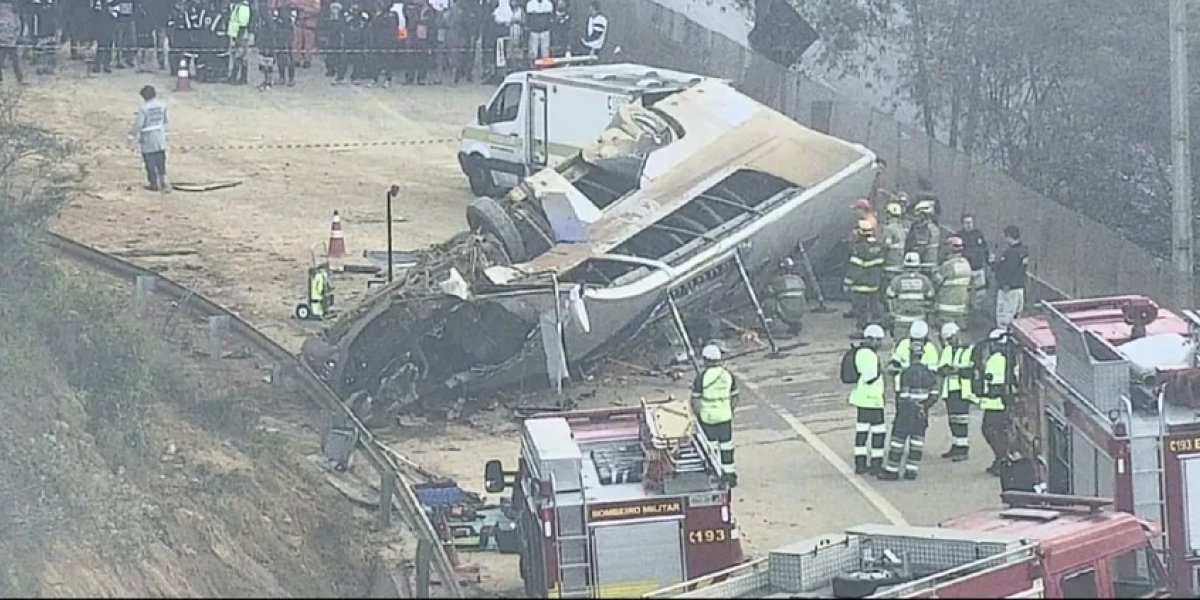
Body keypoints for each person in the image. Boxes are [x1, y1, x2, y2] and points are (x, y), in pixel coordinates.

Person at [878, 328, 939, 481]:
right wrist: (924, 407)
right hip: (922, 412)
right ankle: (911, 471)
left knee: (898, 441)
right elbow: (934, 394)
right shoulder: (929, 374)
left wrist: (907, 408)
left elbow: (904, 395)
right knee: (917, 441)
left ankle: (892, 470)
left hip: (907, 412)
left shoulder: (907, 373)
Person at [690, 343, 738, 487]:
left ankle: (714, 474)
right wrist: (729, 410)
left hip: (708, 418)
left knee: (710, 448)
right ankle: (730, 474)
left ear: (705, 360)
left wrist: (698, 415)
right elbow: (735, 397)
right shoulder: (728, 375)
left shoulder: (701, 377)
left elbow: (695, 401)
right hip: (725, 417)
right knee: (727, 446)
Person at [849, 324, 887, 475]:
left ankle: (860, 464)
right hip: (872, 400)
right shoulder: (869, 355)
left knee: (862, 432)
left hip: (862, 399)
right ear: (871, 339)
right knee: (878, 433)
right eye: (878, 340)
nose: (880, 343)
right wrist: (880, 371)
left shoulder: (860, 352)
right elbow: (870, 377)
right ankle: (876, 464)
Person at [977, 328, 1015, 476]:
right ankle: (1001, 459)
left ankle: (1002, 459)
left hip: (997, 402)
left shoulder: (997, 359)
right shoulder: (1006, 357)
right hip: (1000, 402)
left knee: (990, 430)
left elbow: (995, 382)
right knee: (998, 431)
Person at [936, 322, 975, 461]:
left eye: (951, 338)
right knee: (952, 420)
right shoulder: (947, 350)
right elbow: (942, 368)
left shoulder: (969, 350)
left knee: (961, 420)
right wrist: (952, 369)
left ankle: (963, 449)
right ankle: (956, 445)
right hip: (950, 390)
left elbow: (971, 369)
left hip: (963, 390)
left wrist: (956, 370)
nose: (949, 342)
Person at [843, 218, 885, 334]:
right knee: (874, 308)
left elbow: (855, 269)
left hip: (861, 285)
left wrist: (847, 282)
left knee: (861, 309)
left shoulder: (859, 248)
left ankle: (861, 330)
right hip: (874, 284)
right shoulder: (878, 246)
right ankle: (876, 328)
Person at [129, 84, 169, 193]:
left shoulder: (143, 108)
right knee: (161, 159)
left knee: (150, 160)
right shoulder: (162, 105)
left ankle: (154, 183)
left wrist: (132, 135)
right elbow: (165, 120)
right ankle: (163, 181)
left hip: (148, 137)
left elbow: (139, 124)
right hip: (160, 136)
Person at [885, 252, 934, 339]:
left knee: (900, 343)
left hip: (901, 319)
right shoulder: (925, 280)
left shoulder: (897, 280)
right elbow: (930, 297)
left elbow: (890, 297)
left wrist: (893, 313)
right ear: (918, 266)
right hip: (919, 318)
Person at [932, 236, 972, 332]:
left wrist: (934, 270)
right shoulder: (966, 264)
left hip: (946, 307)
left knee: (945, 332)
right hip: (961, 307)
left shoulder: (948, 265)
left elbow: (936, 281)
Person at [992, 224, 1029, 330]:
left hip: (1009, 290)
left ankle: (1003, 337)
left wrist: (994, 265)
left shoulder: (1011, 253)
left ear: (1009, 236)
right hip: (1020, 288)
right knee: (1016, 319)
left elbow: (1006, 270)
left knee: (1004, 318)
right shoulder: (1024, 251)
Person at [888, 319, 939, 389]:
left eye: (920, 340)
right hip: (903, 387)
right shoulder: (904, 344)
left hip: (923, 388)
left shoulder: (930, 348)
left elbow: (933, 372)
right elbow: (893, 364)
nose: (916, 343)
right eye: (913, 340)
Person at [764, 257, 807, 338]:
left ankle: (768, 326)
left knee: (768, 303)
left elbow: (767, 292)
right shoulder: (799, 280)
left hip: (786, 311)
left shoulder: (779, 280)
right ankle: (794, 323)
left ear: (782, 269)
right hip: (799, 311)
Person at [956, 214, 989, 315]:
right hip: (967, 269)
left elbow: (985, 248)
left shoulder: (978, 234)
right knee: (966, 291)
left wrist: (987, 260)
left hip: (979, 268)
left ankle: (977, 310)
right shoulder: (959, 236)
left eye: (970, 222)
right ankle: (966, 309)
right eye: (967, 223)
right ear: (962, 224)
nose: (969, 225)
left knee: (981, 291)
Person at [904, 199, 941, 275]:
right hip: (933, 264)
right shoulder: (935, 227)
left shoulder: (924, 229)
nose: (915, 219)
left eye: (918, 216)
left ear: (923, 215)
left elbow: (920, 248)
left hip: (924, 266)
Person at [880, 199, 908, 289]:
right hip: (900, 264)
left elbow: (885, 246)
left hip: (889, 265)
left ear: (889, 214)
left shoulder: (889, 229)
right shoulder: (901, 228)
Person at [225, 0, 250, 84]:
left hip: (240, 36)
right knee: (237, 56)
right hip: (235, 35)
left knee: (240, 56)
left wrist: (238, 37)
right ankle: (236, 76)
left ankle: (241, 77)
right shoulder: (238, 6)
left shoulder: (243, 7)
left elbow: (243, 24)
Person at [90, 0, 118, 73]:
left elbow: (116, 8)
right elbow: (96, 10)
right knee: (101, 43)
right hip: (101, 22)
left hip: (111, 21)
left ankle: (106, 65)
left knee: (109, 43)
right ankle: (97, 65)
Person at [0, 0, 22, 84]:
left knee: (16, 62)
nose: (4, 8)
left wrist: (15, 38)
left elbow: (18, 29)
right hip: (1, 44)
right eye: (2, 7)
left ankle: (19, 78)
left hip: (12, 43)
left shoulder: (15, 18)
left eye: (7, 6)